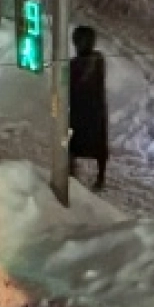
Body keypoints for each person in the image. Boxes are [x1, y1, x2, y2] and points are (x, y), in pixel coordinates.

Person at [69, 25, 109, 191]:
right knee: (75, 143)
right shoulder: (92, 61)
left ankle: (99, 177)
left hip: (89, 109)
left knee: (93, 145)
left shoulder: (92, 61)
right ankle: (73, 172)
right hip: (84, 110)